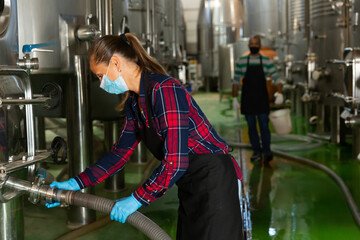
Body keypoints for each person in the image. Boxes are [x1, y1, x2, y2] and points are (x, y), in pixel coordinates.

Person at [46, 33, 244, 240]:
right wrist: (76, 183)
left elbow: (176, 162)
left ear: (115, 63)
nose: (101, 82)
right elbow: (118, 155)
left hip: (214, 181)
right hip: (189, 183)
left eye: (100, 75)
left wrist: (137, 199)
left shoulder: (165, 90)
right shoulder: (135, 103)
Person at [232, 36, 283, 163]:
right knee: (251, 127)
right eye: (251, 44)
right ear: (248, 45)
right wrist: (234, 98)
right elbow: (235, 81)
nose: (253, 46)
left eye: (256, 44)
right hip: (248, 99)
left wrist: (280, 93)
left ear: (260, 46)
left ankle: (266, 151)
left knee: (264, 126)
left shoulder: (267, 61)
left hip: (262, 98)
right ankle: (256, 152)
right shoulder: (241, 61)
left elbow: (277, 78)